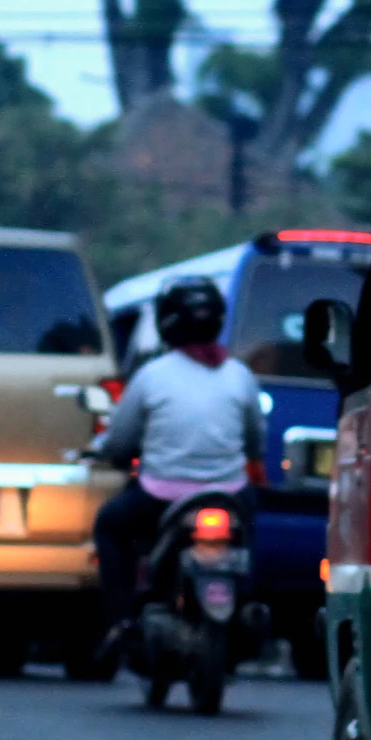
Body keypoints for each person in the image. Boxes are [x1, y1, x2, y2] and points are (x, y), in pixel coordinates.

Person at [90, 278, 268, 653]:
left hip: (160, 498)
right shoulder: (240, 375)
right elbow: (255, 439)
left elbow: (121, 439)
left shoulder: (152, 375)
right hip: (228, 495)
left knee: (110, 526)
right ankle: (248, 600)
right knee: (250, 536)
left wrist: (104, 451)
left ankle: (120, 620)